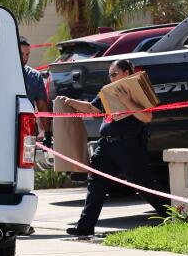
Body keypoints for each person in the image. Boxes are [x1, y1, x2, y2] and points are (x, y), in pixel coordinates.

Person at [56, 58, 169, 237]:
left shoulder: (136, 88)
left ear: (126, 73)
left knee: (142, 184)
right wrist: (71, 102)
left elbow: (146, 117)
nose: (111, 78)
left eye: (114, 74)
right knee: (96, 185)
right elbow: (93, 109)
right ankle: (85, 227)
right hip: (106, 146)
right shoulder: (108, 91)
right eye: (109, 75)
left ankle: (173, 215)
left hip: (128, 145)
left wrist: (125, 100)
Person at [19, 36, 50, 136]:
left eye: (27, 54)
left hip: (28, 129)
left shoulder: (35, 76)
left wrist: (48, 132)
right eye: (22, 54)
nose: (25, 58)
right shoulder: (1, 73)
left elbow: (42, 106)